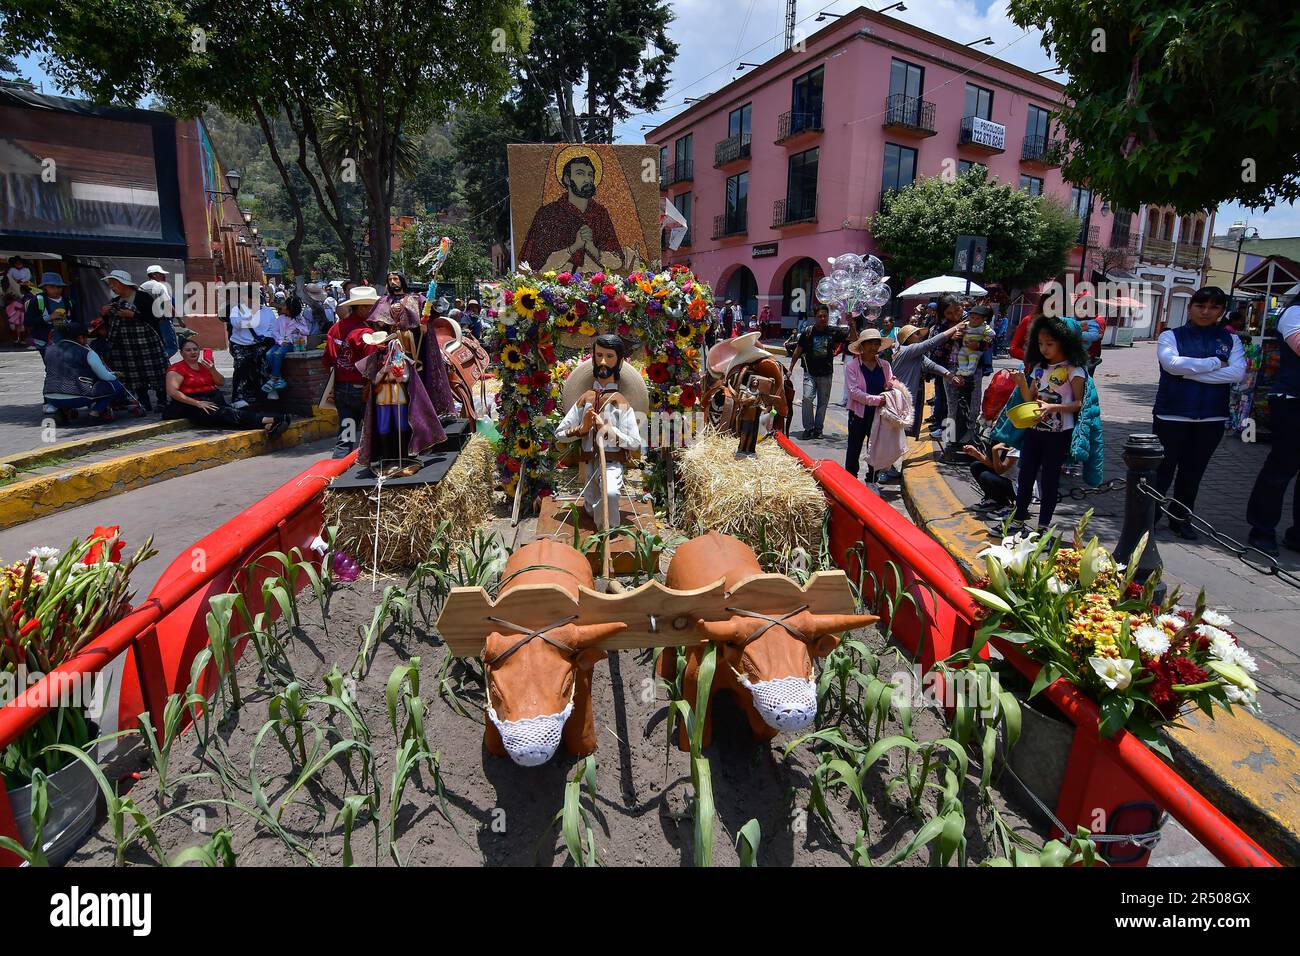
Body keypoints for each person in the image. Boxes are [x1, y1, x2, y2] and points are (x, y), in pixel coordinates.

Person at [1151, 286, 1245, 541]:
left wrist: (1190, 369)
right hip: (1172, 414)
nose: (1206, 312)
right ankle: (1149, 518)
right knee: (1162, 471)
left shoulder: (1230, 340)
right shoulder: (1171, 336)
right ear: (1190, 307)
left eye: (1214, 307)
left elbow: (1236, 373)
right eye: (1200, 306)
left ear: (1222, 311)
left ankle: (1180, 518)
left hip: (1212, 417)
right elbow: (1172, 366)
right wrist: (1215, 363)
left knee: (1193, 473)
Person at [555, 334, 643, 529]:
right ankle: (596, 515)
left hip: (611, 463)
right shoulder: (585, 398)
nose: (603, 361)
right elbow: (559, 433)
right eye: (599, 355)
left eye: (609, 356)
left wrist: (609, 431)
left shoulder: (620, 402)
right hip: (589, 466)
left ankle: (608, 534)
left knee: (610, 493)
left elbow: (635, 442)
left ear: (619, 362)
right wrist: (582, 429)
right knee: (592, 508)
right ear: (593, 358)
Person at [1010, 315, 1088, 530]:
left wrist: (1053, 408)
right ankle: (1018, 518)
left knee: (1049, 479)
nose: (1044, 348)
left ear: (1064, 343)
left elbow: (1079, 403)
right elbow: (1030, 399)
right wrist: (1021, 384)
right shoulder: (1039, 368)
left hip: (1059, 432)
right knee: (1025, 475)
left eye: (1049, 344)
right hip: (1035, 429)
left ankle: (1043, 526)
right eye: (1040, 343)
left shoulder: (1075, 371)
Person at [1246, 291, 1300, 556]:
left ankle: (1297, 535)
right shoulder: (1294, 313)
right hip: (1293, 400)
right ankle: (1262, 529)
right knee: (1281, 467)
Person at [518, 148, 627, 273]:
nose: (587, 179)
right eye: (580, 173)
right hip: (558, 287)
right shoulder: (548, 214)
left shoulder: (599, 214)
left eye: (590, 174)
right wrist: (574, 247)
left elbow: (617, 262)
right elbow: (536, 265)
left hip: (595, 287)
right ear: (567, 179)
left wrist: (591, 247)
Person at [164, 339, 288, 434]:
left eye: (195, 349)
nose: (193, 352)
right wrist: (197, 403)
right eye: (188, 350)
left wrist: (212, 369)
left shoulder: (204, 366)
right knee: (226, 414)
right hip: (193, 404)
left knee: (230, 413)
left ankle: (268, 424)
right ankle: (269, 420)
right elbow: (173, 392)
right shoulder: (176, 369)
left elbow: (221, 382)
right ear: (181, 353)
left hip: (212, 399)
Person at [888, 321, 966, 448]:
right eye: (917, 334)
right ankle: (887, 463)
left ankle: (891, 459)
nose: (920, 336)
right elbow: (930, 343)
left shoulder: (916, 355)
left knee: (901, 430)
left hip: (908, 396)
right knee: (896, 431)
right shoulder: (906, 350)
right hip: (900, 397)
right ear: (908, 338)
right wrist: (955, 328)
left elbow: (931, 366)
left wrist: (949, 375)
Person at [101, 270, 168, 411]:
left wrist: (135, 315)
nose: (112, 287)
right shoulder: (115, 302)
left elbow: (157, 317)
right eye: (111, 284)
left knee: (156, 371)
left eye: (115, 283)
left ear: (124, 284)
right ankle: (144, 401)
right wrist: (104, 315)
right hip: (127, 344)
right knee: (134, 373)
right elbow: (110, 324)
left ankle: (162, 401)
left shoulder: (143, 298)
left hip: (148, 341)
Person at [323, 285, 377, 459]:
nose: (373, 310)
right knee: (373, 433)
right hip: (362, 391)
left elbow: (327, 359)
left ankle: (336, 474)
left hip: (341, 390)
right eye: (371, 307)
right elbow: (371, 366)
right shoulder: (366, 333)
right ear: (361, 307)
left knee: (346, 435)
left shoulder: (335, 329)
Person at [41, 321, 128, 423]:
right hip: (79, 397)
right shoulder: (87, 353)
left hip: (50, 397)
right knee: (114, 384)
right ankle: (95, 412)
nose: (87, 340)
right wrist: (116, 376)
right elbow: (105, 376)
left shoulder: (49, 350)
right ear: (80, 337)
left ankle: (62, 411)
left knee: (63, 384)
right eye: (86, 337)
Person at [787, 304, 849, 439]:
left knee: (823, 403)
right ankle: (808, 428)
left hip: (826, 374)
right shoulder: (808, 332)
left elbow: (852, 338)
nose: (822, 318)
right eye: (819, 316)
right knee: (807, 398)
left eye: (825, 316)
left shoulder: (833, 331)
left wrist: (853, 324)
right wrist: (790, 368)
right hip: (810, 372)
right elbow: (798, 350)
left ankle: (818, 429)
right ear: (814, 318)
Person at [844, 328, 893, 483]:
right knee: (854, 448)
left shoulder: (884, 365)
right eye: (870, 344)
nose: (873, 347)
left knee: (875, 449)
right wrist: (877, 399)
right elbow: (854, 393)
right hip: (859, 414)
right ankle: (850, 481)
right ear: (862, 346)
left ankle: (872, 480)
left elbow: (890, 383)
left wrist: (894, 387)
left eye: (876, 344)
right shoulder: (852, 366)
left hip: (878, 414)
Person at [228, 288, 277, 408]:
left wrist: (266, 336)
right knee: (241, 367)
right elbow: (237, 324)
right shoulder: (237, 310)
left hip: (259, 343)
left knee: (262, 365)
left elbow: (273, 327)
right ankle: (238, 397)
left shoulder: (266, 311)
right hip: (240, 343)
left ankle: (264, 393)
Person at [929, 295, 965, 438]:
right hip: (947, 369)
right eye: (949, 313)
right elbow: (935, 348)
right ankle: (949, 435)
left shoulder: (973, 321)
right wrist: (950, 339)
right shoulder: (940, 326)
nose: (955, 315)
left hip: (970, 369)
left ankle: (965, 434)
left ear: (962, 306)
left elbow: (986, 343)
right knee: (948, 403)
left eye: (957, 310)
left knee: (968, 404)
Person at [264, 292, 311, 395]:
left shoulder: (299, 319)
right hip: (280, 342)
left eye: (285, 305)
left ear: (290, 309)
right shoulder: (280, 319)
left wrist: (297, 328)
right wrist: (280, 341)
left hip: (292, 343)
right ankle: (279, 378)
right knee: (268, 354)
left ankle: (274, 377)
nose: (283, 307)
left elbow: (306, 331)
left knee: (278, 354)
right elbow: (275, 332)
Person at [24, 272, 73, 353]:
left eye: (59, 287)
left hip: (65, 341)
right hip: (44, 343)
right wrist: (49, 317)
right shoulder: (37, 301)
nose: (56, 290)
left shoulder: (68, 301)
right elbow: (28, 321)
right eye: (52, 287)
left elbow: (76, 319)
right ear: (45, 287)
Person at [964, 441, 1020, 512]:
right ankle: (993, 500)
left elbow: (1000, 470)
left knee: (985, 476)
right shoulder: (997, 441)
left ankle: (1006, 504)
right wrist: (976, 454)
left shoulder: (1015, 445)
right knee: (976, 466)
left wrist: (994, 450)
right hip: (1004, 478)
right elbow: (992, 466)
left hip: (1015, 486)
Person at [139, 264, 177, 359]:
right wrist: (172, 316)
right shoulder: (159, 286)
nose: (164, 276)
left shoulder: (141, 287)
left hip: (147, 322)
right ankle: (160, 362)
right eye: (161, 274)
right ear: (154, 275)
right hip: (163, 320)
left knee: (154, 345)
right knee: (171, 347)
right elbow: (168, 304)